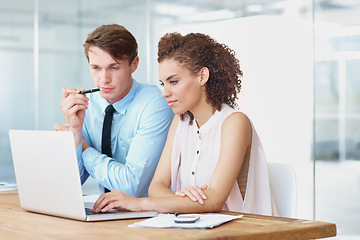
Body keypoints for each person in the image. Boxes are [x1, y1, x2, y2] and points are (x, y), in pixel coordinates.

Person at [91, 32, 278, 216]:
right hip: (196, 229)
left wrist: (139, 204)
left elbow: (214, 200)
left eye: (173, 81)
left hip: (247, 231)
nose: (164, 92)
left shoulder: (235, 123)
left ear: (202, 76)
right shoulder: (180, 122)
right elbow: (157, 186)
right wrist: (183, 197)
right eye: (163, 83)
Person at [55, 24, 174, 197]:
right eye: (96, 68)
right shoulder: (89, 105)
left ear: (134, 65)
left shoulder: (155, 104)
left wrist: (85, 149)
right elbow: (71, 184)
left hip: (150, 216)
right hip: (108, 214)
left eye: (114, 67)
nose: (103, 79)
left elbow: (132, 187)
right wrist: (74, 132)